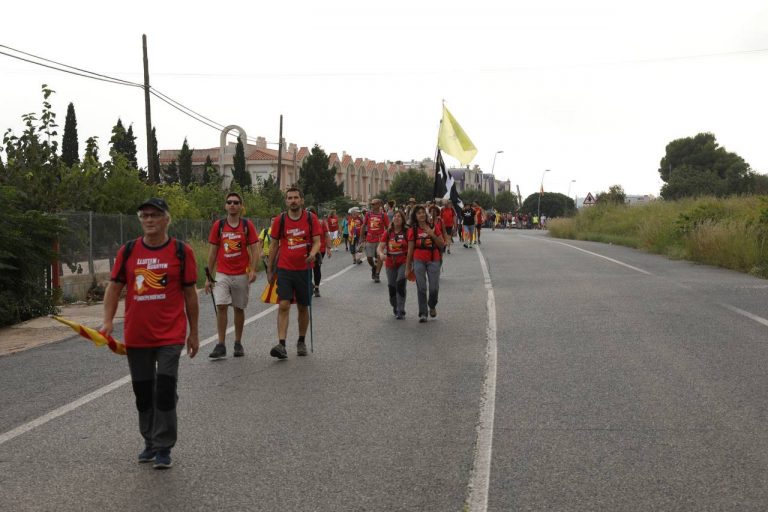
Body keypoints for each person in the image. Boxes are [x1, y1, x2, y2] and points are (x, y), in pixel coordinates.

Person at [102, 198, 199, 470]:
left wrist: (194, 333)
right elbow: (114, 287)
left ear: (167, 219)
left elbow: (190, 294)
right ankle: (150, 441)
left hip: (170, 334)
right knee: (143, 392)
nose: (149, 220)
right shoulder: (129, 251)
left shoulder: (182, 251)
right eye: (144, 215)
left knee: (165, 390)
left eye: (155, 215)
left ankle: (164, 446)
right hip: (137, 335)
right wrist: (107, 321)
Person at [266, 187, 321, 359]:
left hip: (304, 270)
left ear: (302, 200)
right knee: (284, 304)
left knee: (303, 307)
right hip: (285, 269)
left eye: (296, 197)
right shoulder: (280, 220)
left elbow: (317, 241)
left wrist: (312, 254)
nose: (293, 201)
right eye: (290, 198)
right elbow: (274, 245)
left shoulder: (311, 219)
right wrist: (269, 269)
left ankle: (301, 341)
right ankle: (281, 344)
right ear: (286, 201)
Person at [206, 192, 258, 359]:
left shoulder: (246, 225)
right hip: (222, 273)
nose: (232, 205)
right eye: (229, 202)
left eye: (236, 202)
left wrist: (253, 269)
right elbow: (213, 251)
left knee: (238, 308)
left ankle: (237, 342)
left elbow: (255, 249)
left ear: (241, 206)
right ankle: (221, 344)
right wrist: (208, 277)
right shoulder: (219, 225)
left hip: (241, 273)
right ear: (225, 206)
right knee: (220, 305)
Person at [406, 205, 445, 322]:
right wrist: (408, 267)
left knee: (434, 288)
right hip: (419, 259)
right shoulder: (412, 230)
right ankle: (423, 313)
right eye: (419, 213)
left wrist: (431, 233)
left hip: (434, 259)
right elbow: (410, 250)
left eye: (423, 212)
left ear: (426, 214)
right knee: (421, 287)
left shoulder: (433, 226)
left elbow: (442, 245)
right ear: (415, 216)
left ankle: (432, 305)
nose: (421, 215)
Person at [377, 210, 408, 319]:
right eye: (395, 216)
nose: (397, 218)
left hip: (403, 261)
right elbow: (380, 247)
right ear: (392, 219)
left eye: (399, 216)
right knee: (392, 287)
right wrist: (381, 254)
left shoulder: (407, 231)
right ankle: (395, 305)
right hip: (390, 262)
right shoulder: (388, 232)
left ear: (403, 219)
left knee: (400, 284)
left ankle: (401, 310)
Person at [362, 198, 389, 283]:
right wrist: (361, 238)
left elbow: (388, 227)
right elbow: (363, 226)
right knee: (369, 258)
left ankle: (377, 274)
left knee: (379, 257)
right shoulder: (368, 214)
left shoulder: (383, 215)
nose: (372, 206)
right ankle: (374, 267)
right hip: (370, 239)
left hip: (380, 240)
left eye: (374, 204)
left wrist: (389, 239)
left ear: (378, 205)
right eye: (371, 204)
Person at [308, 206, 332, 297]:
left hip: (320, 250)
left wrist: (329, 248)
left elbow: (326, 235)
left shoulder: (321, 223)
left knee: (316, 268)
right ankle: (311, 285)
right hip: (308, 249)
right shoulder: (304, 224)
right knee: (308, 269)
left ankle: (317, 288)